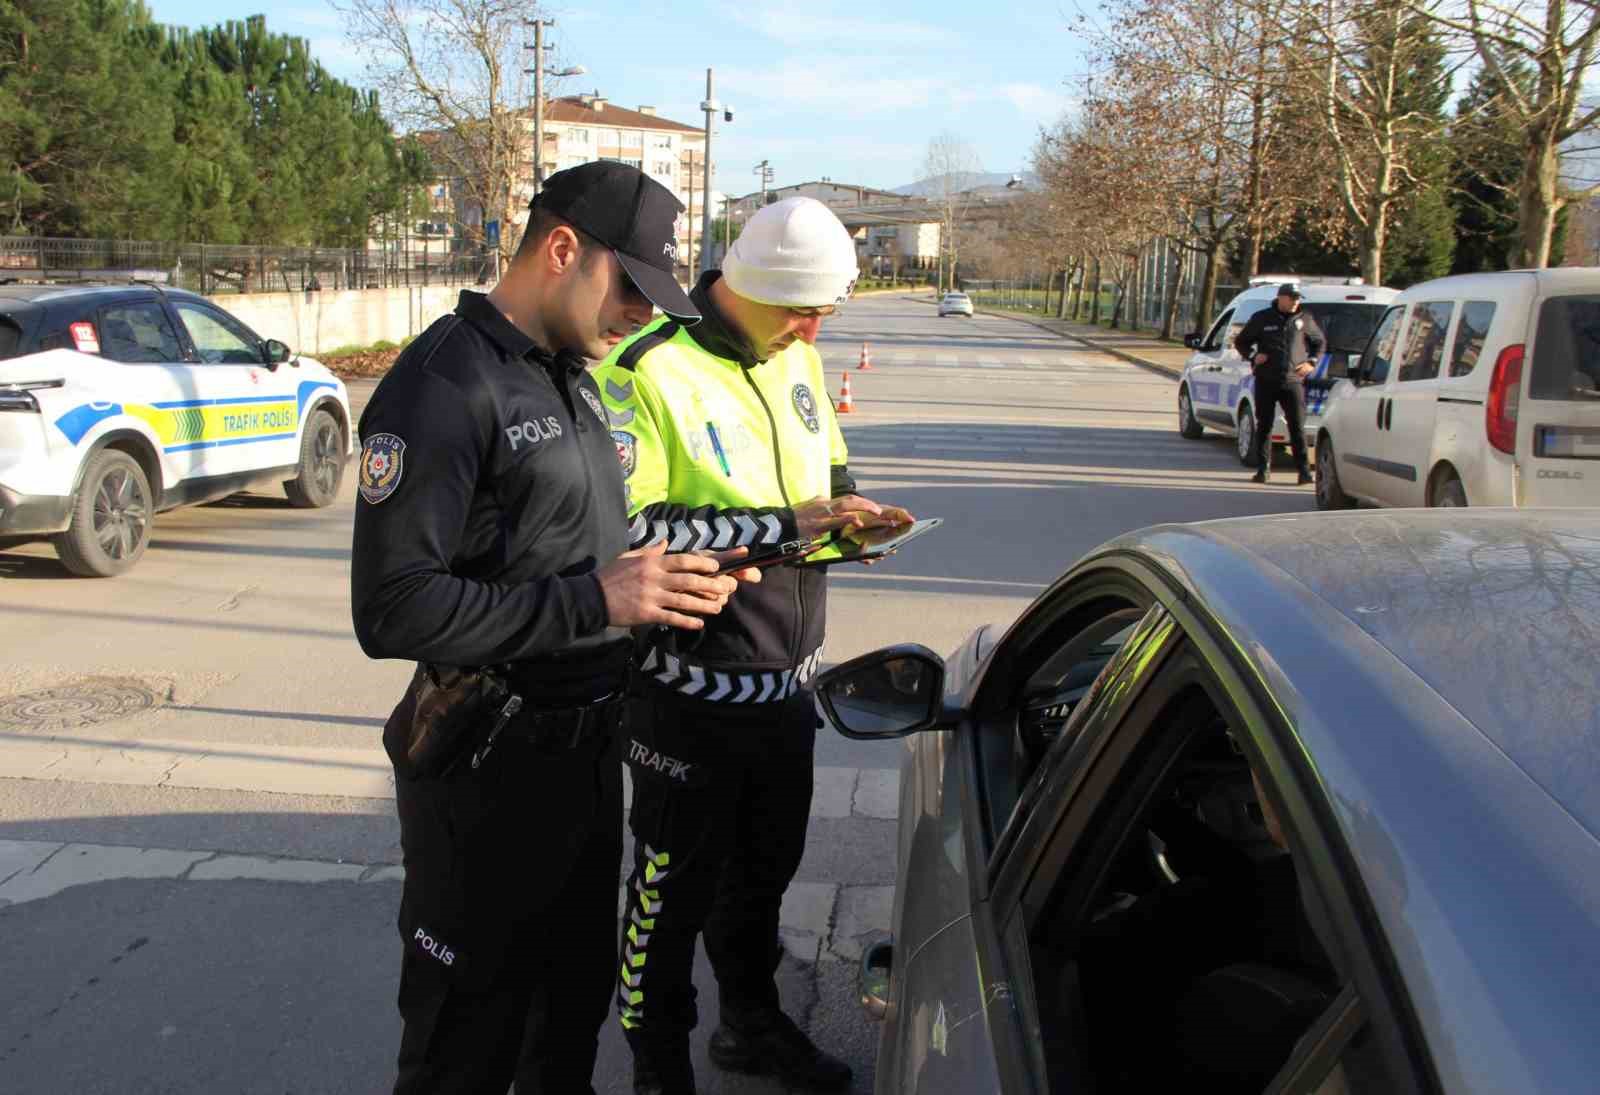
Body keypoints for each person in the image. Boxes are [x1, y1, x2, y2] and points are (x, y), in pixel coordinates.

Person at [351, 161, 751, 1095]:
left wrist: (668, 595)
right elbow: (391, 607)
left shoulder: (574, 377)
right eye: (632, 290)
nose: (642, 317)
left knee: (567, 1028)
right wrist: (600, 601)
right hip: (485, 779)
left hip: (581, 770)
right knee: (464, 1048)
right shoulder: (442, 385)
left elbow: (574, 556)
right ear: (563, 249)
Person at [596, 196, 912, 1095]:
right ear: (749, 286)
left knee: (761, 884)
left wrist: (858, 517)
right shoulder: (647, 367)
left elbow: (831, 477)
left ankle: (749, 1025)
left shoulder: (798, 356)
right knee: (665, 901)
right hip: (686, 696)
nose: (814, 329)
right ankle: (658, 1069)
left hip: (786, 691)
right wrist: (785, 523)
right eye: (802, 309)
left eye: (826, 313)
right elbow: (632, 525)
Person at [1234, 283, 1325, 484]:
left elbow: (1319, 342)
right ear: (1281, 297)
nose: (1295, 302)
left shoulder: (1305, 319)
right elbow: (1241, 341)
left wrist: (1312, 362)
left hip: (1293, 381)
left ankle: (1304, 473)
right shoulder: (1262, 317)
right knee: (1264, 425)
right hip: (1266, 380)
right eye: (1292, 298)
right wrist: (1253, 355)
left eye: (1298, 298)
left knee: (1297, 427)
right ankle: (1262, 469)